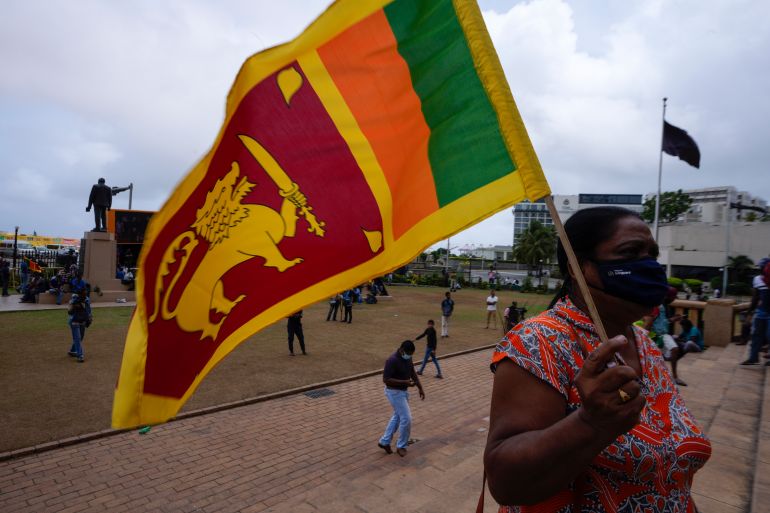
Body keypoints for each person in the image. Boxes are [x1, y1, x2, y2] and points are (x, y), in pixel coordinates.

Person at [484, 206, 710, 512]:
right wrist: (589, 424)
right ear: (579, 268)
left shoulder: (643, 342)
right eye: (630, 252)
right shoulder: (538, 341)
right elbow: (505, 481)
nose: (648, 265)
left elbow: (669, 474)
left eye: (651, 254)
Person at [378, 340, 424, 457]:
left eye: (411, 354)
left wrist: (420, 387)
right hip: (393, 392)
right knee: (406, 418)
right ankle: (401, 445)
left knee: (397, 416)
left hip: (403, 392)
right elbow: (386, 379)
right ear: (402, 350)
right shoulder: (392, 360)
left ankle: (385, 441)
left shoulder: (407, 358)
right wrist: (404, 382)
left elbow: (412, 372)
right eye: (408, 353)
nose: (409, 356)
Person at [741, 258, 770, 366]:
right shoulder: (757, 279)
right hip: (761, 311)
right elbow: (755, 297)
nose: (761, 269)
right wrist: (749, 312)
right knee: (756, 335)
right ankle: (753, 357)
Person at [67, 288, 92, 363]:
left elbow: (89, 310)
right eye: (84, 294)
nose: (85, 295)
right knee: (77, 338)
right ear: (79, 294)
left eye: (86, 293)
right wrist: (75, 305)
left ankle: (72, 351)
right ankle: (80, 355)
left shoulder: (87, 300)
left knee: (80, 338)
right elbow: (69, 312)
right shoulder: (74, 300)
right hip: (74, 322)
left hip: (83, 322)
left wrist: (90, 318)